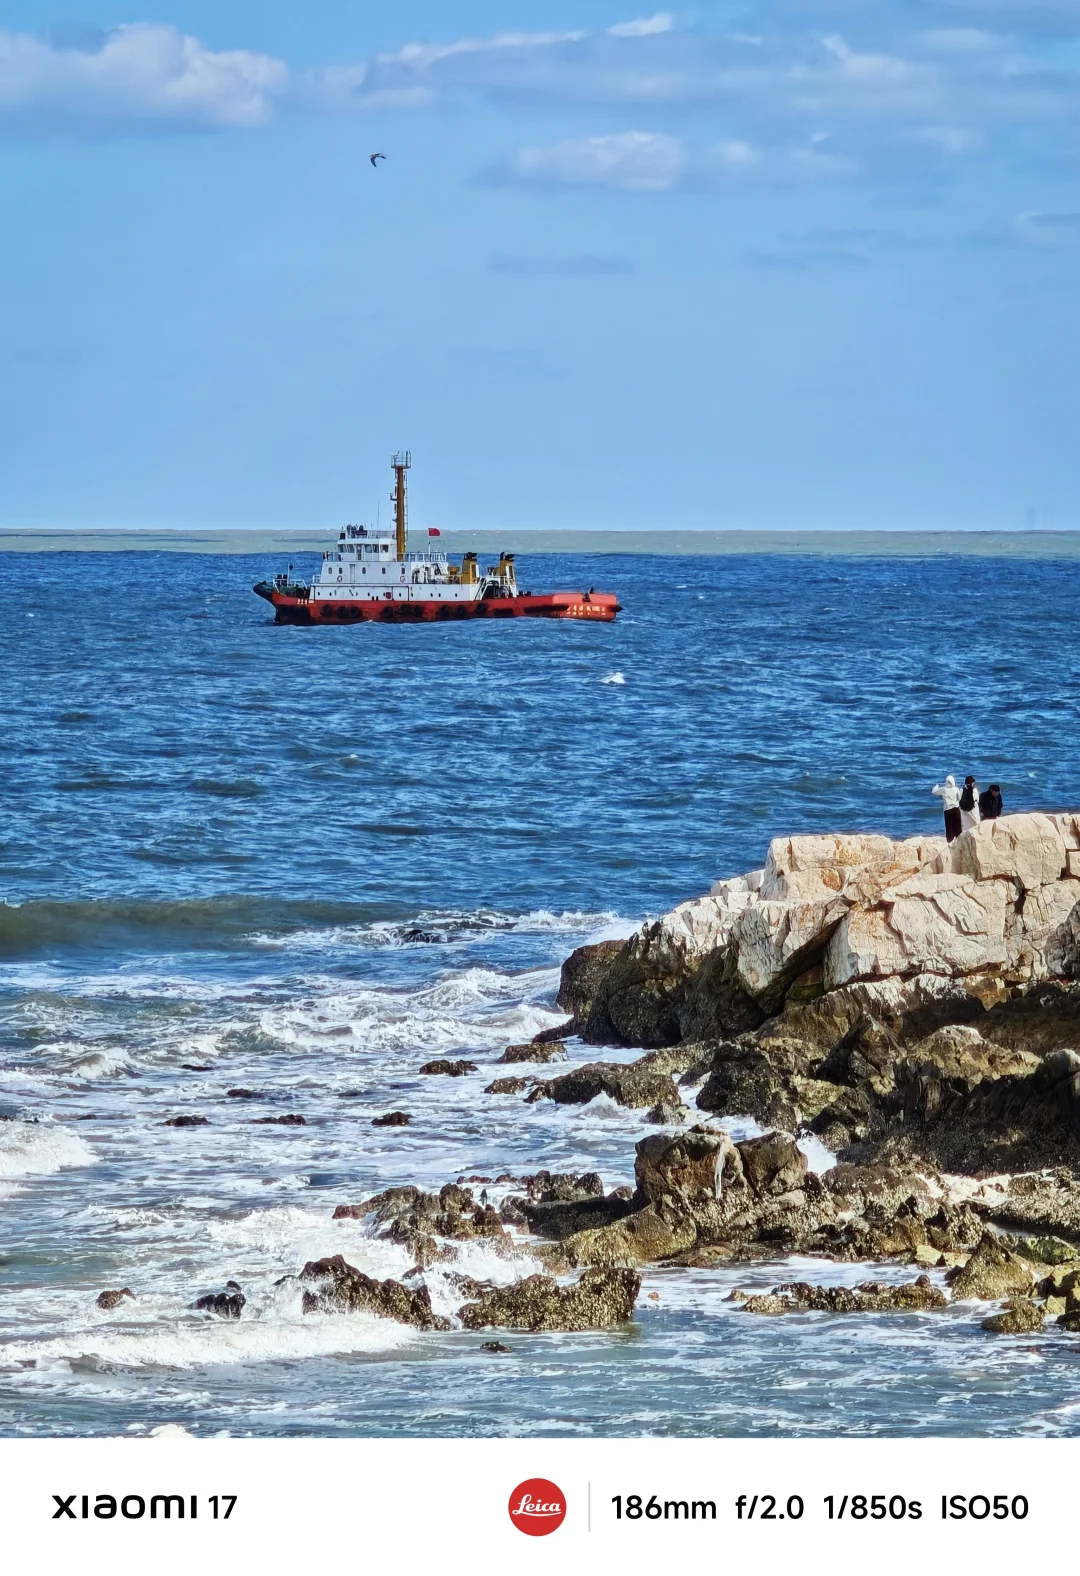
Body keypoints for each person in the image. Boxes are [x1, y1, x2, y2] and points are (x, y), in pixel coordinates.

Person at [932, 775, 963, 842]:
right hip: (956, 809)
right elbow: (959, 798)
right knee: (958, 826)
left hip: (948, 810)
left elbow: (934, 792)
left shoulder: (944, 789)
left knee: (949, 827)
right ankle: (959, 841)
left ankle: (950, 841)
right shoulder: (956, 789)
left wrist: (936, 786)